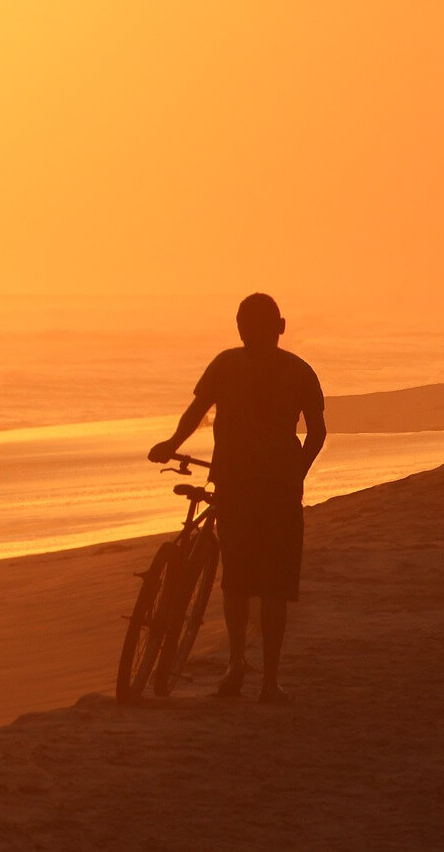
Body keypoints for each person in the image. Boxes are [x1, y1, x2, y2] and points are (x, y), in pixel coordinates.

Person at [148, 293, 325, 704]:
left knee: (239, 584)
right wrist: (294, 475)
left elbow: (197, 410)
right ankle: (266, 680)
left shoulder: (228, 363)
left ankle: (237, 667)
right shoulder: (299, 371)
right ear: (281, 325)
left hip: (238, 485)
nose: (253, 333)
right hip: (271, 491)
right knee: (269, 588)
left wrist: (172, 442)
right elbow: (316, 434)